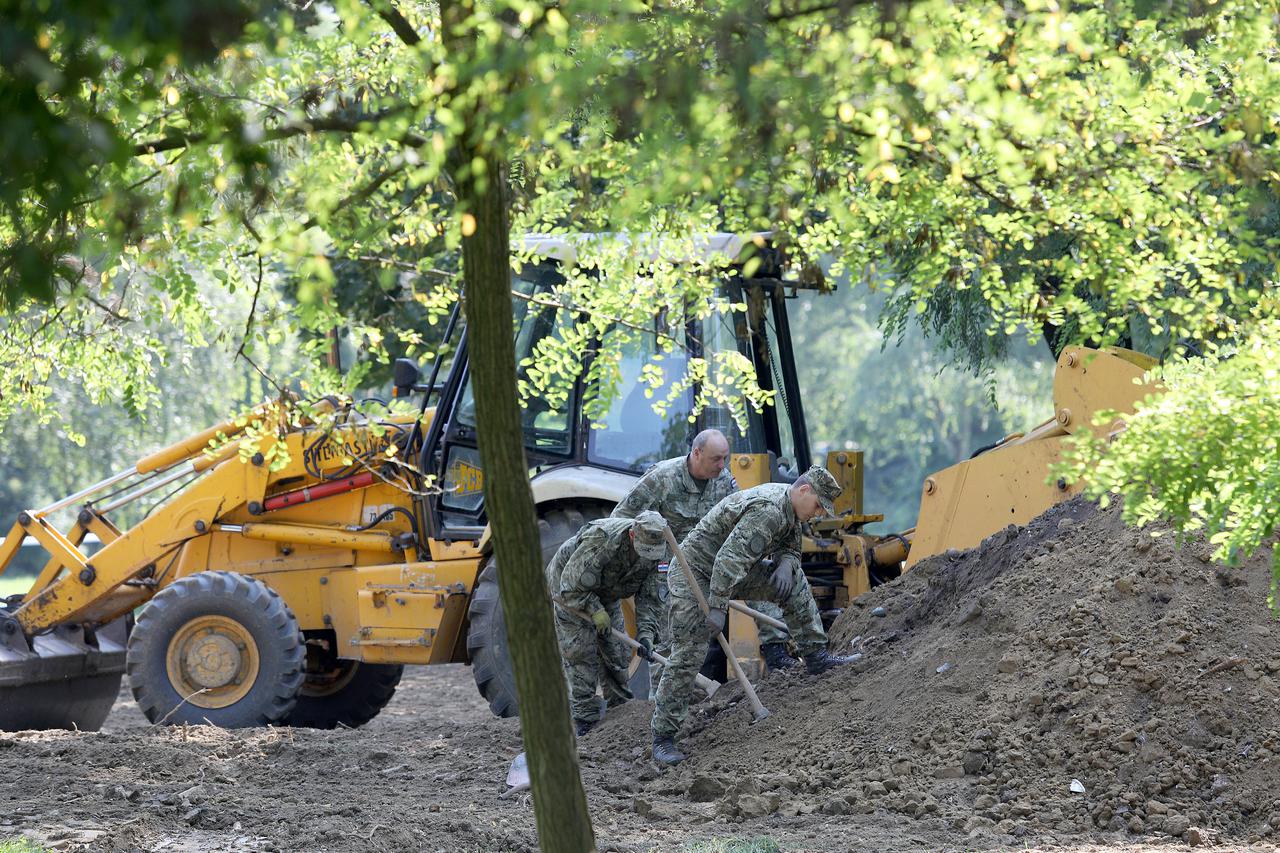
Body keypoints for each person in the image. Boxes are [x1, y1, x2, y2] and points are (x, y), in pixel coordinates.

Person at [650, 467, 858, 765]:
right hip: (694, 574)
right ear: (804, 491)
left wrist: (786, 564)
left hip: (730, 573)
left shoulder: (791, 510)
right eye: (818, 505)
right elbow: (728, 560)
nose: (819, 513)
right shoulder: (769, 510)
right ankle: (663, 738)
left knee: (794, 582)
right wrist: (718, 608)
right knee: (689, 651)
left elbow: (789, 547)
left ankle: (816, 657)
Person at [612, 430, 799, 680]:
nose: (722, 465)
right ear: (697, 453)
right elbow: (620, 520)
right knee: (668, 638)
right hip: (667, 567)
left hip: (709, 561)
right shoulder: (662, 478)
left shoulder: (724, 480)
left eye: (725, 458)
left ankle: (776, 649)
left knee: (756, 570)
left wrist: (777, 555)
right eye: (716, 459)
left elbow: (744, 519)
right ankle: (662, 697)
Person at [545, 510, 669, 737]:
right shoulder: (602, 539)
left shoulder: (659, 550)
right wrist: (595, 610)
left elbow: (650, 598)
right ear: (632, 535)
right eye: (643, 549)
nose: (648, 556)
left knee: (616, 651)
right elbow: (570, 586)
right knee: (580, 652)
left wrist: (647, 634)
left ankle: (620, 712)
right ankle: (585, 719)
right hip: (569, 588)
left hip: (608, 592)